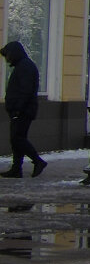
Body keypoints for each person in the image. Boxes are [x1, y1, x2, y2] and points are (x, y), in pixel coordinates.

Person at [1, 41, 46, 178]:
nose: (6, 59)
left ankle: (38, 161)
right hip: (21, 110)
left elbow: (25, 90)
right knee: (17, 139)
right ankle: (16, 169)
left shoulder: (25, 67)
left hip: (22, 110)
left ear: (14, 53)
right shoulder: (23, 66)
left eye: (7, 55)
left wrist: (18, 109)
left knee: (17, 139)